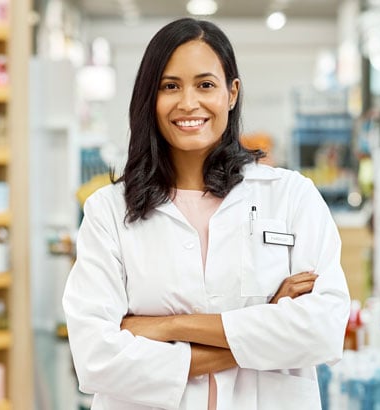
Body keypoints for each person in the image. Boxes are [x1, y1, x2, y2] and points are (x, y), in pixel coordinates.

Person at [63, 17, 351, 410]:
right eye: (170, 86)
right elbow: (96, 360)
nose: (188, 103)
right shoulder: (108, 211)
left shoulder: (290, 196)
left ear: (231, 93)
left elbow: (323, 330)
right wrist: (266, 325)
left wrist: (166, 327)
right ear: (150, 97)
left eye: (205, 84)